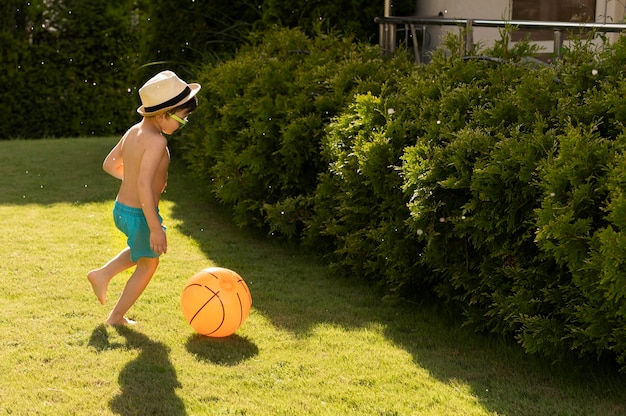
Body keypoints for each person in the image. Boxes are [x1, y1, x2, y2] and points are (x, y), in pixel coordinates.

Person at [88, 70, 201, 325]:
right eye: (182, 119)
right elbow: (142, 185)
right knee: (149, 263)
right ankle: (115, 317)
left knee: (142, 251)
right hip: (140, 213)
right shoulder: (157, 142)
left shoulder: (133, 132)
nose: (182, 124)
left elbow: (110, 164)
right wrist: (155, 228)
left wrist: (134, 181)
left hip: (122, 209)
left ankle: (102, 274)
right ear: (163, 115)